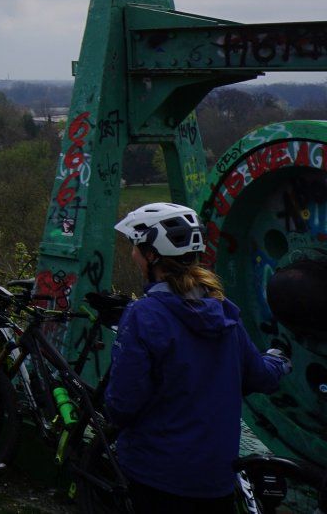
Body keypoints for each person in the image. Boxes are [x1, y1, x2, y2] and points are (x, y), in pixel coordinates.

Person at [106, 202, 290, 514]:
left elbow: (123, 404)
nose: (132, 254)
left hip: (156, 472)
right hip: (215, 476)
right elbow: (259, 374)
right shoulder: (222, 311)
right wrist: (281, 359)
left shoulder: (143, 316)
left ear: (153, 255)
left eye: (136, 247)